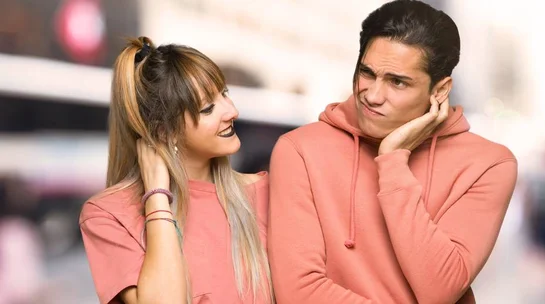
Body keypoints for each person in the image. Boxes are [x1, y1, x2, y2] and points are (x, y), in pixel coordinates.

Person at [267, 1, 518, 303]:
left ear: (440, 91)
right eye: (367, 73)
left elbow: (440, 291)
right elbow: (299, 291)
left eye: (397, 82)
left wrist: (393, 162)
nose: (373, 95)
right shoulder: (300, 149)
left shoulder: (489, 164)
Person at [80, 37, 272, 304]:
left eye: (225, 93)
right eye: (207, 108)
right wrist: (157, 196)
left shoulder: (267, 193)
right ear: (165, 132)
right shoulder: (108, 214)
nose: (232, 111)